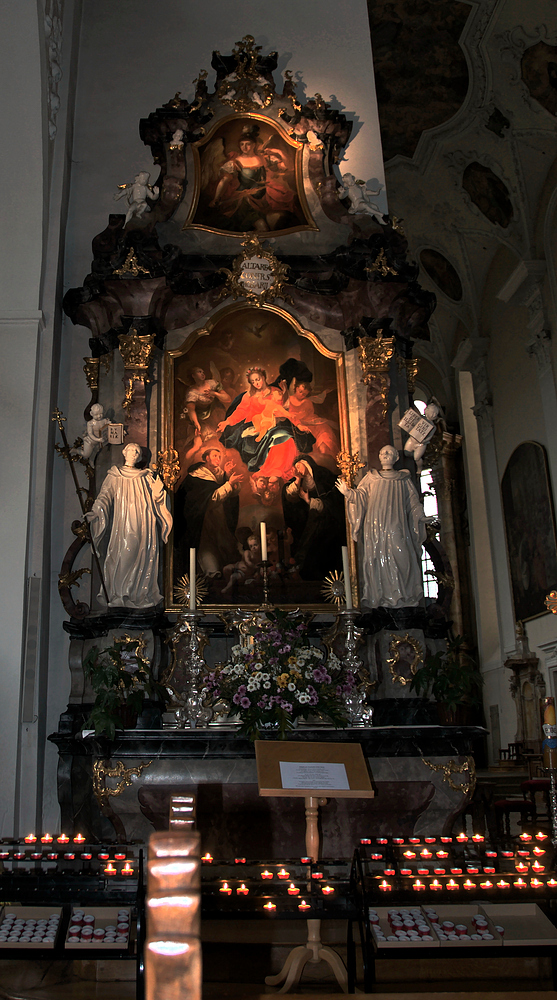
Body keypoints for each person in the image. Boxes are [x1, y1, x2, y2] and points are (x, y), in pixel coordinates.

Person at [336, 444, 430, 608]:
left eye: (389, 452)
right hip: (375, 526)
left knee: (402, 555)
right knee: (378, 557)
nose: (385, 454)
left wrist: (421, 517)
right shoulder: (371, 478)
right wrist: (348, 493)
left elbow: (413, 503)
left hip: (397, 524)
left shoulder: (403, 479)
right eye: (382, 452)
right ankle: (382, 597)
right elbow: (360, 497)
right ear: (378, 456)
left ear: (396, 458)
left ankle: (404, 595)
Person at [85, 442, 172, 608]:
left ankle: (138, 595)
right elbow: (104, 496)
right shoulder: (115, 475)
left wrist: (159, 492)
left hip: (144, 522)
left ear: (139, 456)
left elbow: (157, 499)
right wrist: (96, 511)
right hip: (124, 524)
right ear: (125, 453)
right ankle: (119, 593)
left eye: (136, 451)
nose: (133, 453)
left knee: (143, 555)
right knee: (125, 552)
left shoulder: (146, 476)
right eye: (130, 450)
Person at [217, 367, 315, 480]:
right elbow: (240, 412)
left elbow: (285, 411)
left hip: (274, 425)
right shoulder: (248, 396)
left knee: (286, 439)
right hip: (255, 427)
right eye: (253, 381)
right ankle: (271, 470)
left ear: (263, 377)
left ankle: (280, 471)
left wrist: (298, 425)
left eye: (258, 379)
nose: (256, 383)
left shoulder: (275, 393)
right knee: (273, 437)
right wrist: (227, 422)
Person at [177, 447, 243, 578]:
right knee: (206, 546)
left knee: (224, 544)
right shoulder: (197, 476)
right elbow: (211, 500)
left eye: (219, 457)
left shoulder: (218, 473)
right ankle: (211, 571)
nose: (218, 459)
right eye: (214, 456)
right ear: (207, 458)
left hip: (216, 519)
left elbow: (229, 493)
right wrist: (229, 483)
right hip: (200, 520)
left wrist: (228, 475)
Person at [283, 454, 346, 580]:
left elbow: (332, 502)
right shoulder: (299, 481)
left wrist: (308, 500)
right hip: (309, 522)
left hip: (327, 523)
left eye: (299, 466)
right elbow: (290, 496)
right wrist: (297, 480)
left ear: (306, 464)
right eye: (295, 468)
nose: (298, 469)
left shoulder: (323, 475)